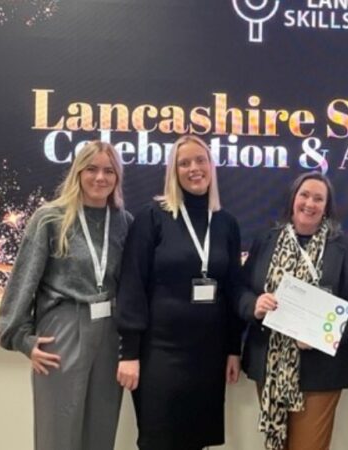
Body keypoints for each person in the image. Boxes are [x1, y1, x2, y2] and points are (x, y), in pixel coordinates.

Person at [0, 140, 131, 450]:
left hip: (110, 334)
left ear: (117, 177)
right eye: (92, 169)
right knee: (58, 431)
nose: (100, 178)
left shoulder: (124, 222)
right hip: (64, 327)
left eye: (109, 171)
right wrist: (21, 339)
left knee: (101, 430)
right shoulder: (50, 217)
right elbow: (23, 279)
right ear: (77, 173)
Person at [115, 134, 243, 450]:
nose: (193, 168)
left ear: (211, 166)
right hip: (160, 352)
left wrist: (233, 349)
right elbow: (132, 283)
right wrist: (129, 352)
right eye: (183, 163)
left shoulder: (226, 223)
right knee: (159, 440)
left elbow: (233, 289)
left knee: (195, 440)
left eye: (200, 160)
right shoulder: (152, 216)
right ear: (173, 171)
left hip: (208, 354)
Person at [237, 171, 348, 450]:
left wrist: (326, 336)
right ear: (293, 199)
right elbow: (240, 289)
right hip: (271, 363)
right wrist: (255, 305)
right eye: (304, 195)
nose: (310, 203)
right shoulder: (266, 240)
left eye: (318, 198)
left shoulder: (342, 248)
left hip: (320, 370)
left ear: (327, 206)